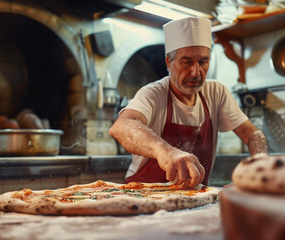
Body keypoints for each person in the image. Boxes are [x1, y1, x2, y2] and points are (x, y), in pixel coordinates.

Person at [109, 17, 268, 188]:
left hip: (194, 197)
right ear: (169, 63)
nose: (195, 72)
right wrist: (166, 151)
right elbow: (121, 126)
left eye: (203, 61)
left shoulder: (216, 92)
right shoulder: (154, 93)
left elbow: (253, 134)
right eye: (187, 62)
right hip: (143, 194)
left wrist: (261, 164)